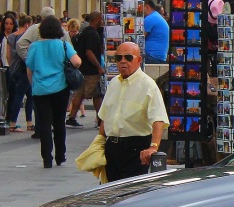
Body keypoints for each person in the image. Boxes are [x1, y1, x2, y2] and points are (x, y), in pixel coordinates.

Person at [97, 42, 168, 180]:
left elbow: (158, 119)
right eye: (119, 58)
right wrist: (99, 142)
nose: (123, 61)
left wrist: (153, 147)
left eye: (128, 57)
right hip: (112, 147)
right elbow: (105, 116)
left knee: (131, 193)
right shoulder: (113, 83)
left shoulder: (148, 85)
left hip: (136, 148)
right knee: (111, 191)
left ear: (139, 60)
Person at [24, 14, 82, 169]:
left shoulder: (34, 47)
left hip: (40, 89)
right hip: (60, 88)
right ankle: (60, 155)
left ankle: (46, 158)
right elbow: (77, 62)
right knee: (59, 122)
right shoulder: (63, 45)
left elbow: (29, 69)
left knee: (43, 124)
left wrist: (33, 84)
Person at [67, 11, 105, 128]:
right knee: (97, 94)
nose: (102, 21)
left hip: (82, 68)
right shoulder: (93, 34)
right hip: (91, 70)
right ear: (97, 19)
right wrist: (99, 67)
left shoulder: (85, 31)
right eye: (101, 19)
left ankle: (72, 118)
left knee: (80, 94)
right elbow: (89, 52)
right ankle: (100, 120)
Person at [1, 13, 33, 132]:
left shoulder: (11, 37)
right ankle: (14, 123)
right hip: (25, 69)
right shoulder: (26, 37)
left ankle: (28, 123)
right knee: (22, 96)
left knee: (23, 95)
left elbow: (8, 55)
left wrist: (12, 67)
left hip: (14, 69)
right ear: (27, 24)